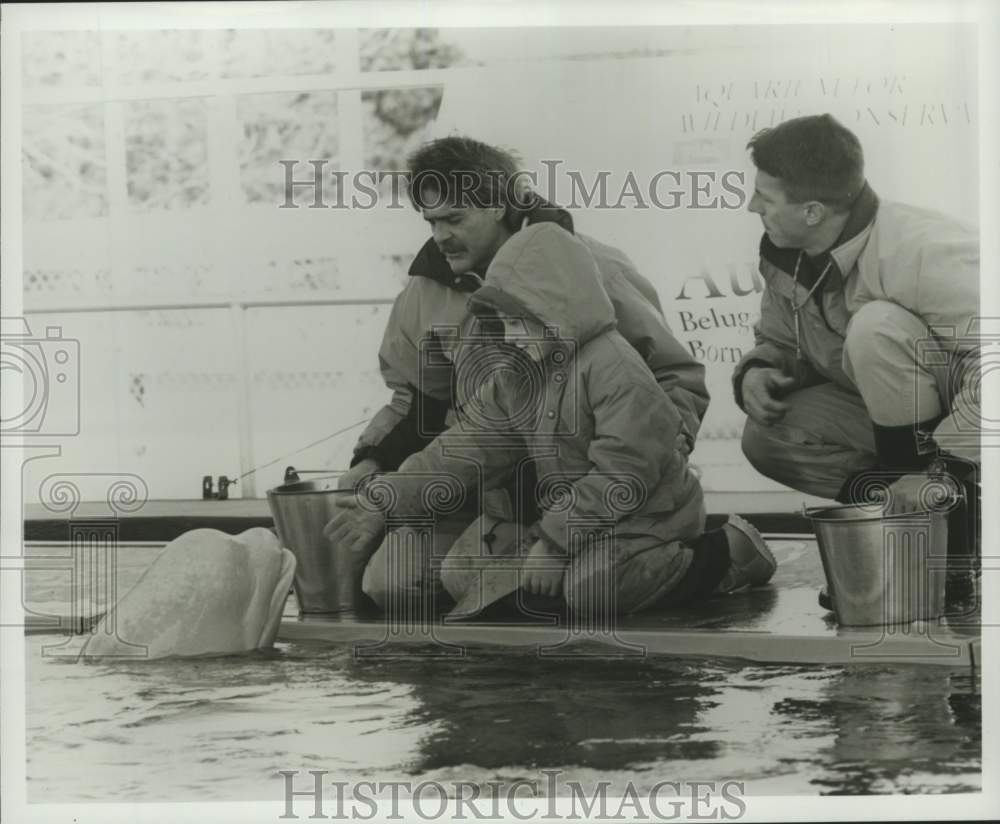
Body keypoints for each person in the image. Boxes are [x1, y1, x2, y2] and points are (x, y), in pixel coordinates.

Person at [334, 136, 710, 612]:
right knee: (395, 584)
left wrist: (651, 475)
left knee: (587, 585)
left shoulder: (592, 272)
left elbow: (673, 384)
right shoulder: (425, 291)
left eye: (455, 218)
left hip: (602, 487)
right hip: (488, 491)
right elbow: (420, 405)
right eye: (430, 221)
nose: (440, 236)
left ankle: (700, 556)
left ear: (498, 205)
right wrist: (374, 469)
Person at [326, 223, 776, 618]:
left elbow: (625, 472)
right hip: (574, 518)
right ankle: (573, 573)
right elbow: (461, 450)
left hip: (645, 518)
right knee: (462, 576)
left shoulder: (615, 369)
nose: (509, 338)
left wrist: (556, 542)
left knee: (593, 589)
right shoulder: (519, 377)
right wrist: (384, 498)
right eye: (500, 324)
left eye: (519, 322)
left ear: (559, 310)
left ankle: (727, 554)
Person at [733, 113, 980, 604]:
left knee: (875, 328)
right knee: (768, 436)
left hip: (968, 441)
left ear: (812, 211)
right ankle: (907, 528)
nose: (750, 205)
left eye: (765, 195)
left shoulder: (926, 248)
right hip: (905, 438)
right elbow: (785, 343)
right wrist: (760, 370)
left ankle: (950, 544)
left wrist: (940, 466)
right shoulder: (791, 253)